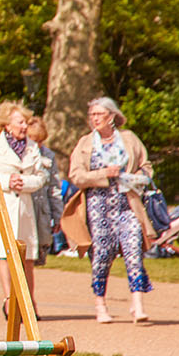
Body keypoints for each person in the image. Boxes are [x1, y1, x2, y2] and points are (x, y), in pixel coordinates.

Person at [69, 97, 155, 324]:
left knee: (134, 250)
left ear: (111, 116)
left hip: (128, 203)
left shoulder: (129, 139)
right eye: (92, 115)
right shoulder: (86, 143)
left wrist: (140, 178)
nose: (94, 119)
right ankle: (100, 305)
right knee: (102, 255)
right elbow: (76, 176)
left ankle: (137, 304)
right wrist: (102, 174)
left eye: (98, 114)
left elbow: (146, 166)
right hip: (98, 206)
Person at [0, 102, 45, 314]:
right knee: (5, 255)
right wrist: (6, 182)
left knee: (27, 257)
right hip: (4, 206)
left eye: (26, 122)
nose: (24, 126)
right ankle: (9, 302)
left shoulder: (33, 147)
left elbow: (42, 177)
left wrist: (25, 183)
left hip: (25, 208)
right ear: (7, 125)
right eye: (20, 122)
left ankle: (29, 304)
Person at [27, 117, 64, 265]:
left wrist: (58, 215)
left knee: (36, 258)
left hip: (41, 211)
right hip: (25, 208)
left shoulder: (48, 155)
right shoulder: (20, 154)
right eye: (34, 140)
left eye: (41, 141)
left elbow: (54, 188)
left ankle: (27, 288)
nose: (38, 145)